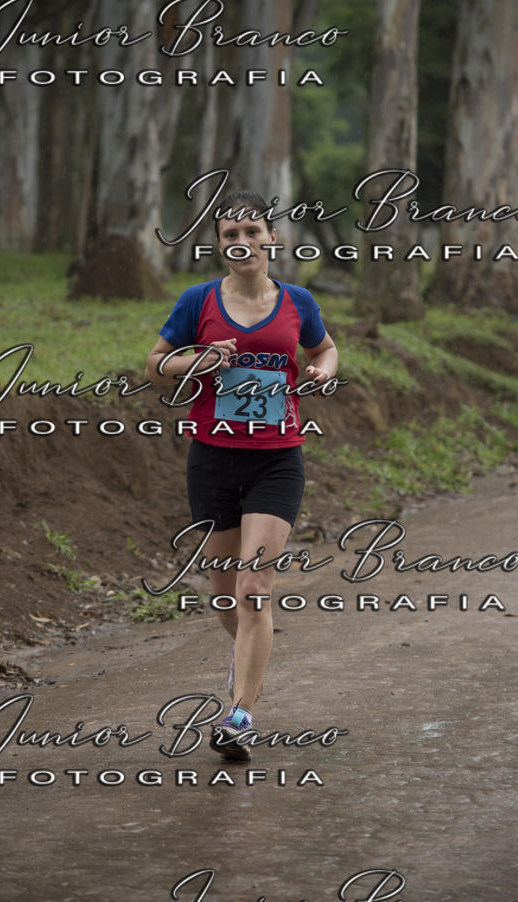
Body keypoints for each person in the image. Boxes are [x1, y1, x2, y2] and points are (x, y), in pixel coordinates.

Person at [145, 191, 338, 760]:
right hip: (211, 459)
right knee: (225, 596)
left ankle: (241, 714)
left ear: (271, 239)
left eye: (252, 231)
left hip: (278, 459)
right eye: (230, 233)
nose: (241, 242)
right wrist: (198, 359)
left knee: (255, 587)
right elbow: (156, 367)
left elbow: (325, 349)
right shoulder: (197, 301)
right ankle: (254, 652)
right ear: (219, 244)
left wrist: (323, 371)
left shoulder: (298, 301)